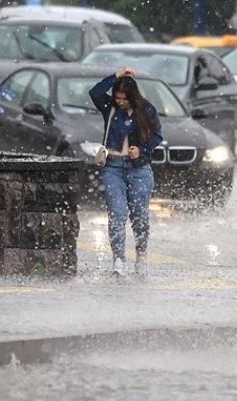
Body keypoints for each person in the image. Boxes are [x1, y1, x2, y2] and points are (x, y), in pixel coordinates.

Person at [89, 67, 163, 278]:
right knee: (117, 214)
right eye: (117, 97)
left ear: (132, 96)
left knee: (139, 217)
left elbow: (157, 135)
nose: (120, 101)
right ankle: (118, 259)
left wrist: (142, 149)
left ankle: (141, 254)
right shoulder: (110, 109)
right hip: (112, 167)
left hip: (139, 169)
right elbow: (94, 92)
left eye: (124, 98)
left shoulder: (146, 110)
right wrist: (116, 76)